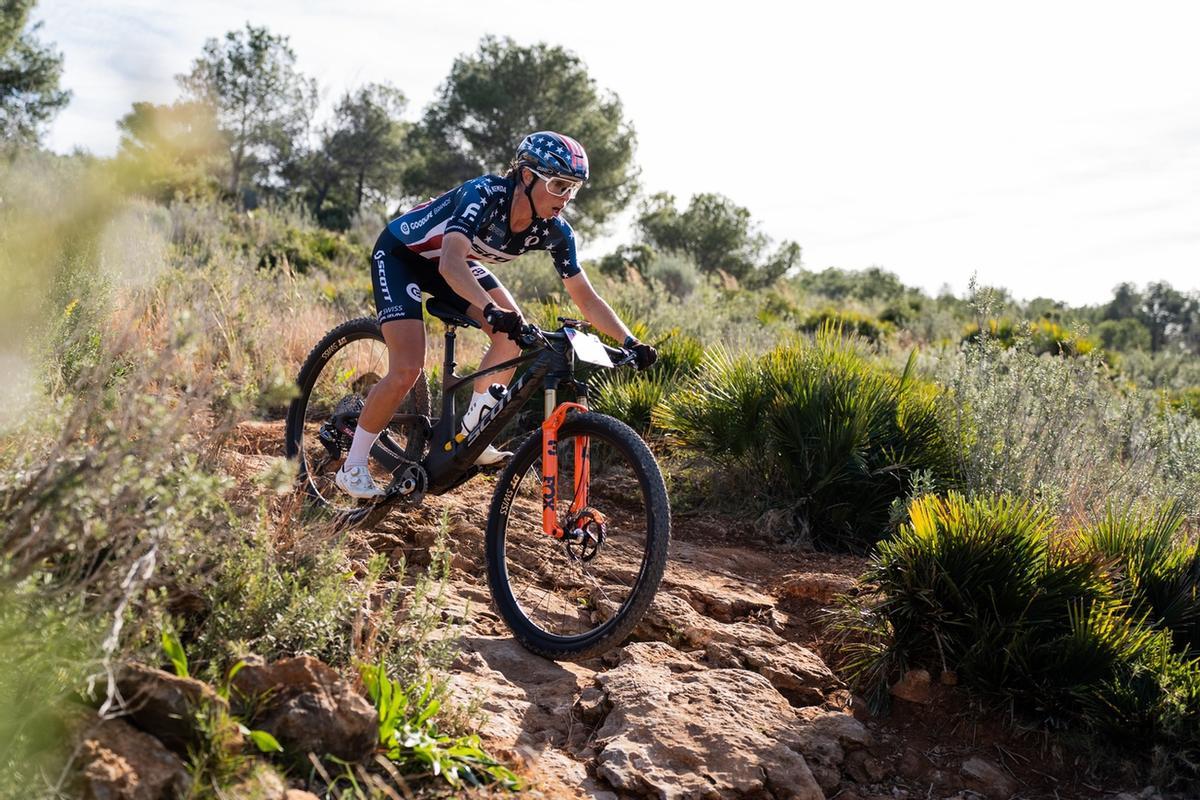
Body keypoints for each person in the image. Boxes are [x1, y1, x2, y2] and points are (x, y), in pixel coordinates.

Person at [335, 131, 658, 499]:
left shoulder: (555, 231)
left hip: (452, 265)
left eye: (573, 188)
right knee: (408, 368)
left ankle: (472, 432)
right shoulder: (484, 195)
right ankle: (353, 465)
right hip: (403, 257)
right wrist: (490, 309)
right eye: (558, 185)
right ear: (526, 175)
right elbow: (452, 261)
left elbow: (585, 296)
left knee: (515, 332)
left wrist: (630, 341)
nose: (566, 198)